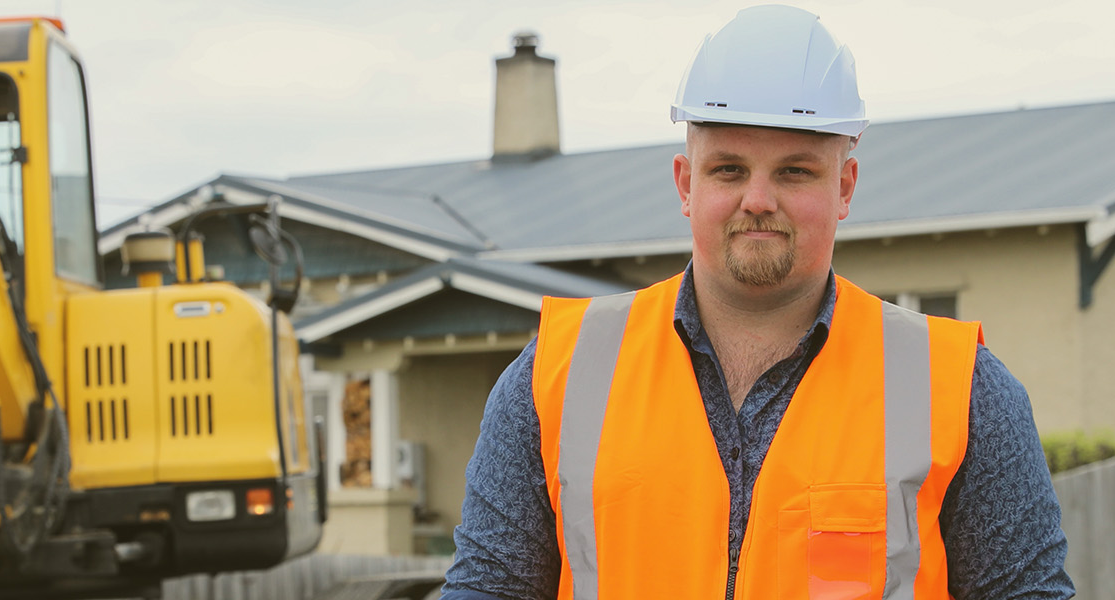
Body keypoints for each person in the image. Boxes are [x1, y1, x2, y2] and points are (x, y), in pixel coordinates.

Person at [441, 6, 1073, 599]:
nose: (760, 199)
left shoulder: (959, 391)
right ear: (687, 184)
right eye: (729, 170)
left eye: (795, 170)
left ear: (844, 186)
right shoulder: (557, 376)